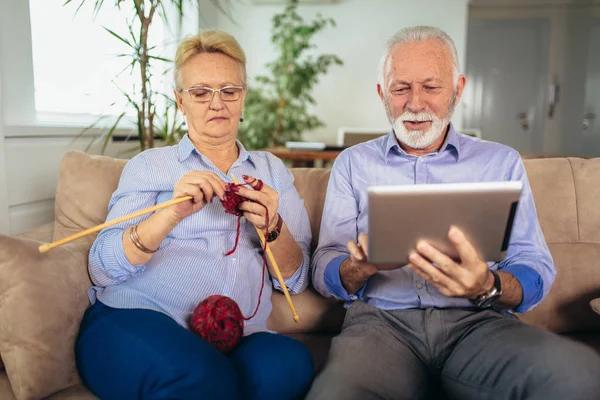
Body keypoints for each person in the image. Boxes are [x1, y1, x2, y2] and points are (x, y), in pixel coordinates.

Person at [308, 26, 600, 400]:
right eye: (400, 89)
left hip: (478, 322)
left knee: (578, 374)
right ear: (383, 94)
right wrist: (355, 268)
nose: (415, 103)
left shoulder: (500, 162)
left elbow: (535, 264)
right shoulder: (352, 164)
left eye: (431, 87)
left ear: (458, 90)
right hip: (380, 326)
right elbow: (323, 265)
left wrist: (488, 285)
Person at [75, 30, 314, 400]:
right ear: (181, 102)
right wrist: (168, 215)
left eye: (229, 91)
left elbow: (295, 281)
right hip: (140, 315)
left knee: (288, 365)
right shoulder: (150, 165)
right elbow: (101, 267)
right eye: (201, 92)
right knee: (202, 377)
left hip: (239, 334)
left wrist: (273, 226)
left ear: (243, 98)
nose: (216, 103)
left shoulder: (272, 172)